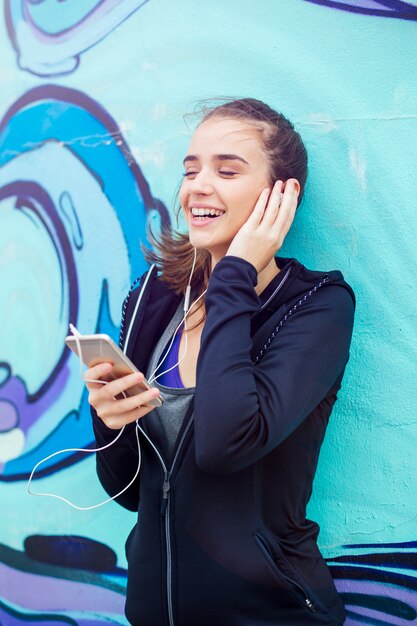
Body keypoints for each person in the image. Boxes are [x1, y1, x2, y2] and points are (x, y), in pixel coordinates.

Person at [86, 98, 355, 626]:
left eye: (226, 170)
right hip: (150, 612)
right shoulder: (153, 300)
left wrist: (231, 275)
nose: (196, 187)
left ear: (282, 194)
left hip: (270, 614)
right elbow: (125, 491)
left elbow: (224, 445)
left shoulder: (317, 306)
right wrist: (108, 417)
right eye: (190, 171)